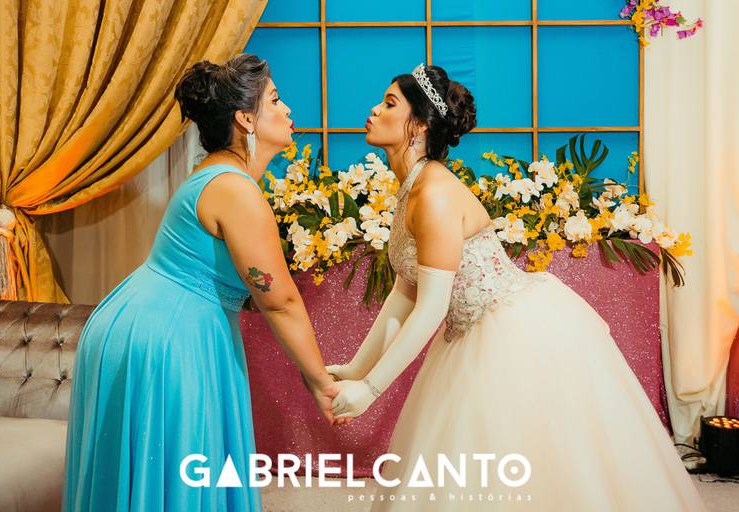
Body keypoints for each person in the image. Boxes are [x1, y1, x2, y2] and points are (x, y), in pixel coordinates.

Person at [326, 63, 706, 511]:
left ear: (421, 125)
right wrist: (356, 369)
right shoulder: (412, 186)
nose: (374, 109)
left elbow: (430, 308)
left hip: (511, 333)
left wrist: (370, 391)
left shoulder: (435, 194)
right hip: (469, 332)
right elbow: (404, 292)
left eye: (389, 103)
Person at [62, 54, 340, 511]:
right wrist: (320, 382)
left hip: (151, 322)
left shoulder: (220, 176)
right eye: (275, 100)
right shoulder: (234, 189)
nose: (288, 109)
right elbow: (280, 301)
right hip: (167, 338)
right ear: (246, 118)